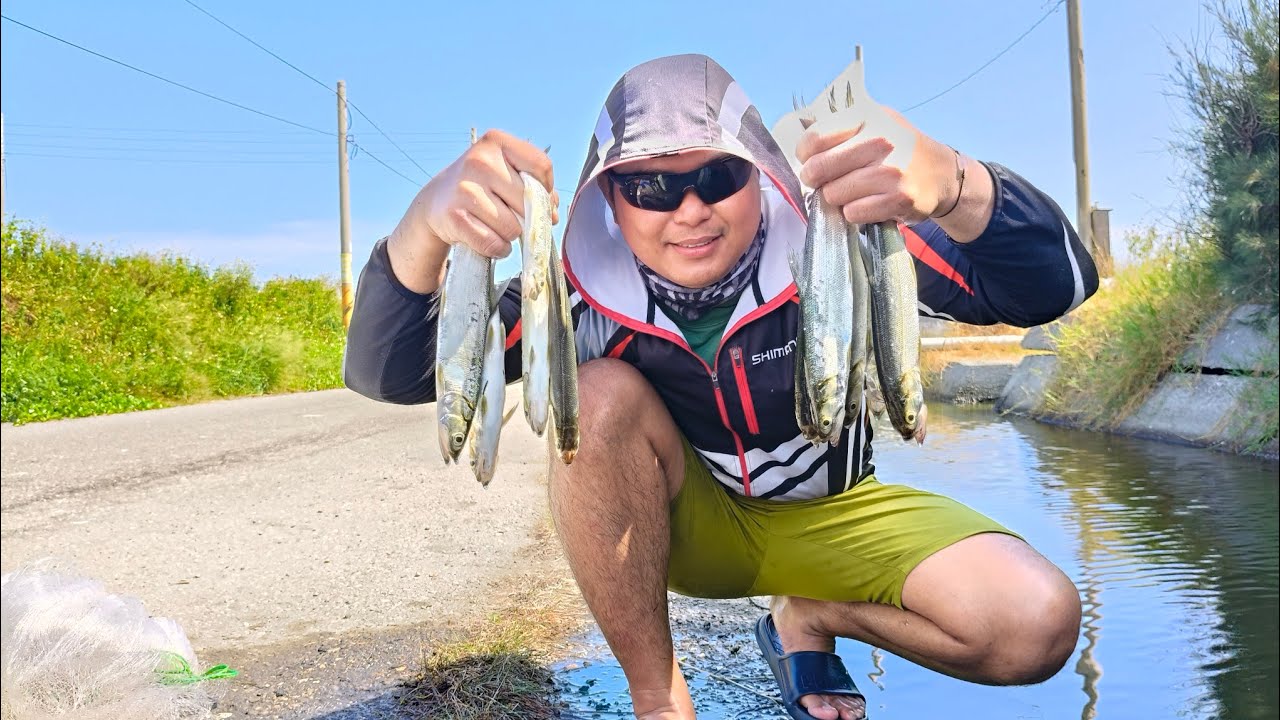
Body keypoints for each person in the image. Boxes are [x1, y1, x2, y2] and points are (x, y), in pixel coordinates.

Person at [344, 54, 1098, 720]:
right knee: (596, 396)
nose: (691, 210)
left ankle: (810, 615)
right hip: (691, 535)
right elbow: (392, 373)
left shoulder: (843, 242)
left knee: (1037, 625)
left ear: (760, 173)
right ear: (609, 200)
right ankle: (659, 697)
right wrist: (424, 228)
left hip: (841, 514)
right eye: (650, 186)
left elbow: (1056, 287)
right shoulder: (572, 298)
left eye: (716, 176)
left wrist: (956, 184)